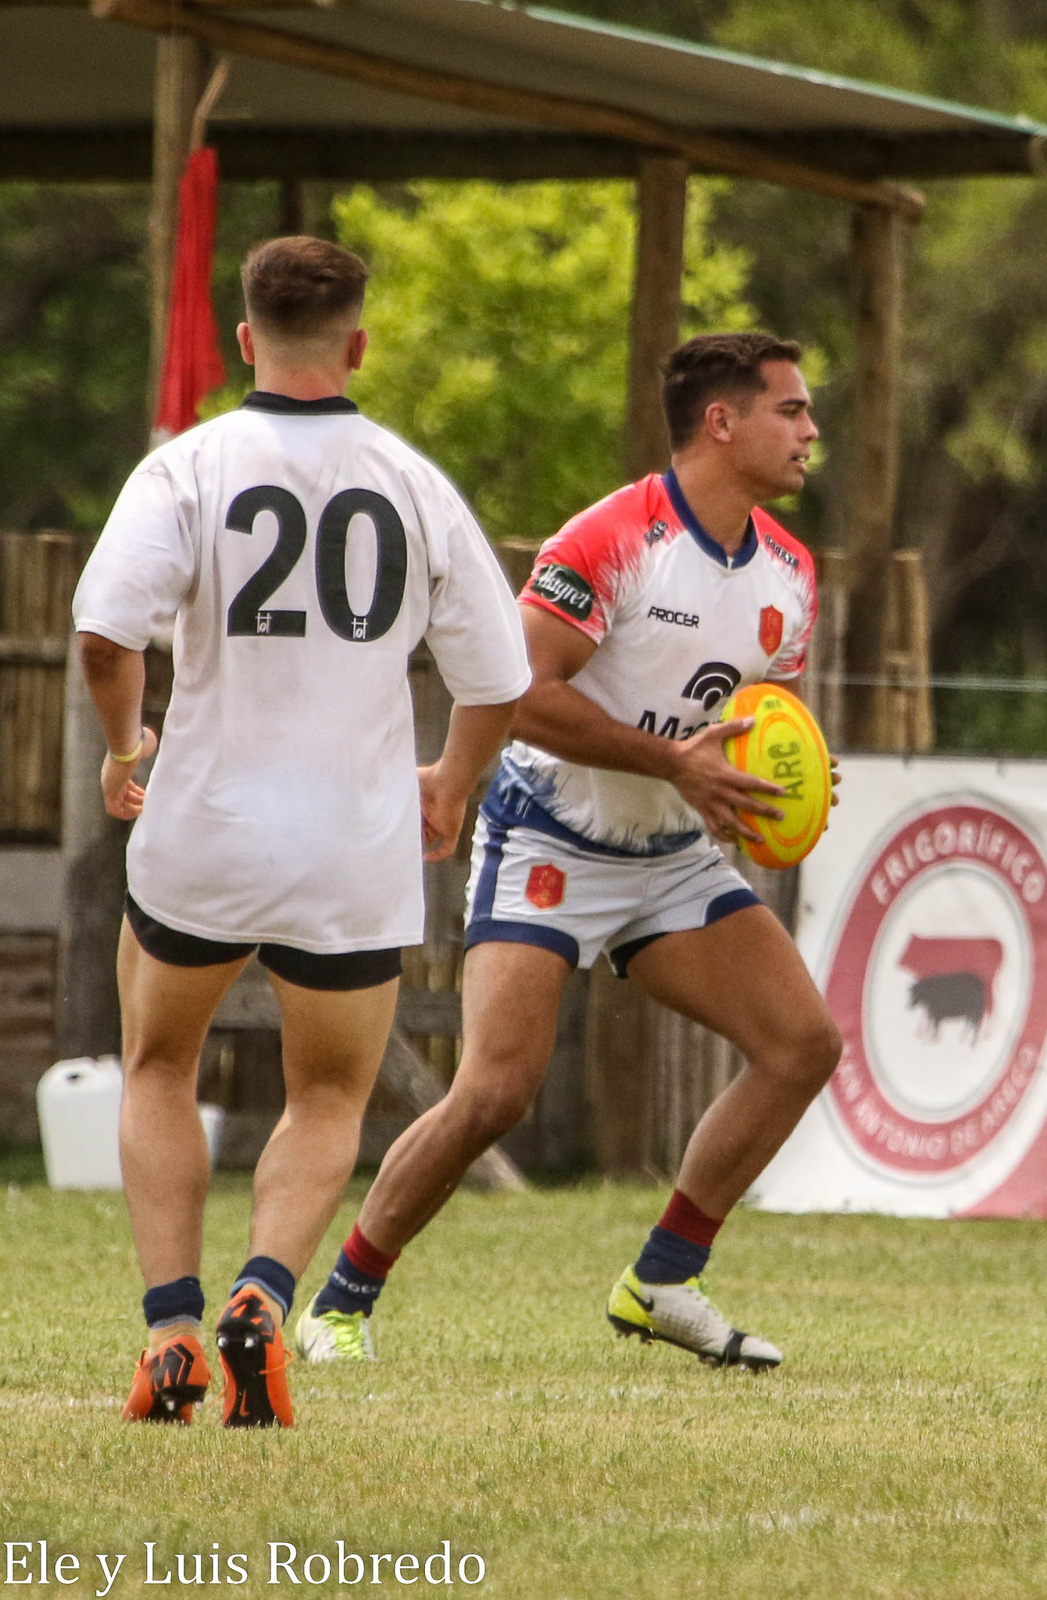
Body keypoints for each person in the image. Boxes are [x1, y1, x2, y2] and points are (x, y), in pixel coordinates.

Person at [298, 330, 842, 1372]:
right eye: (791, 409)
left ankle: (663, 1279)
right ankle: (340, 1298)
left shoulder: (788, 570)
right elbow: (514, 694)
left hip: (672, 853)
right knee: (498, 1089)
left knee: (801, 1042)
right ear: (719, 422)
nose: (810, 431)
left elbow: (755, 715)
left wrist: (766, 784)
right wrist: (671, 762)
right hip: (549, 831)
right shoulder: (611, 538)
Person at [72, 236, 531, 1427]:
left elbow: (103, 635)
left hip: (203, 831)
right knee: (327, 1096)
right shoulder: (413, 482)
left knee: (159, 1065)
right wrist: (452, 784)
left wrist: (126, 745)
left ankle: (172, 1330)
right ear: (359, 342)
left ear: (243, 340)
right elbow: (498, 675)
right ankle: (265, 1302)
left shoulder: (187, 468)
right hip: (349, 843)